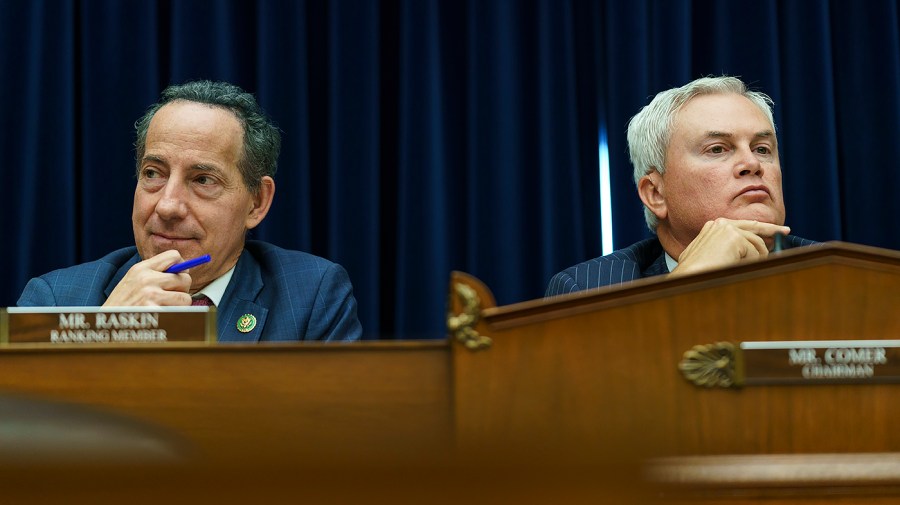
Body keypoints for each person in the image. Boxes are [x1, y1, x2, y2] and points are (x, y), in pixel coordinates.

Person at [18, 80, 363, 342]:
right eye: (153, 173)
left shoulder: (311, 297)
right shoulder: (56, 298)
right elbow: (25, 430)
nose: (168, 206)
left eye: (202, 180)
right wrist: (106, 332)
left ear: (257, 203)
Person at [546, 76, 816, 296]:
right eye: (718, 149)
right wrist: (684, 284)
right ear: (655, 194)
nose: (752, 163)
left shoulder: (838, 272)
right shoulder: (588, 290)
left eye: (762, 148)